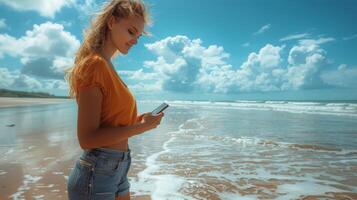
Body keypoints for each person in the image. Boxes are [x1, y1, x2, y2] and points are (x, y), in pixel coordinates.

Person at [64, 0, 164, 199]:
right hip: (97, 173)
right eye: (131, 31)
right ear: (111, 22)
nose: (135, 40)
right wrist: (142, 127)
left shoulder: (108, 66)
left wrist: (137, 121)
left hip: (118, 167)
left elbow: (109, 121)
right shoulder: (94, 65)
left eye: (139, 35)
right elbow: (87, 139)